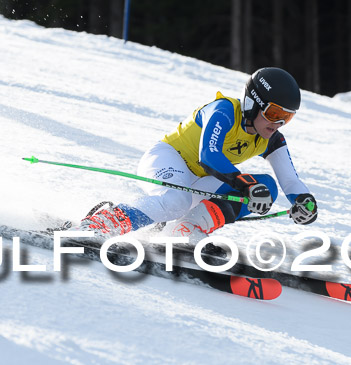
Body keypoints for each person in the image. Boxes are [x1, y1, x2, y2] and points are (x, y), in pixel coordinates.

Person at [79, 67, 318, 241]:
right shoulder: (224, 110)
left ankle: (184, 231)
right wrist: (245, 183)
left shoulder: (271, 138)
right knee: (176, 201)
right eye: (275, 113)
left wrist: (303, 201)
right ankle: (103, 223)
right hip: (168, 159)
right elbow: (209, 154)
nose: (278, 123)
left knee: (267, 187)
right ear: (254, 103)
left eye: (287, 117)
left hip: (199, 180)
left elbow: (289, 180)